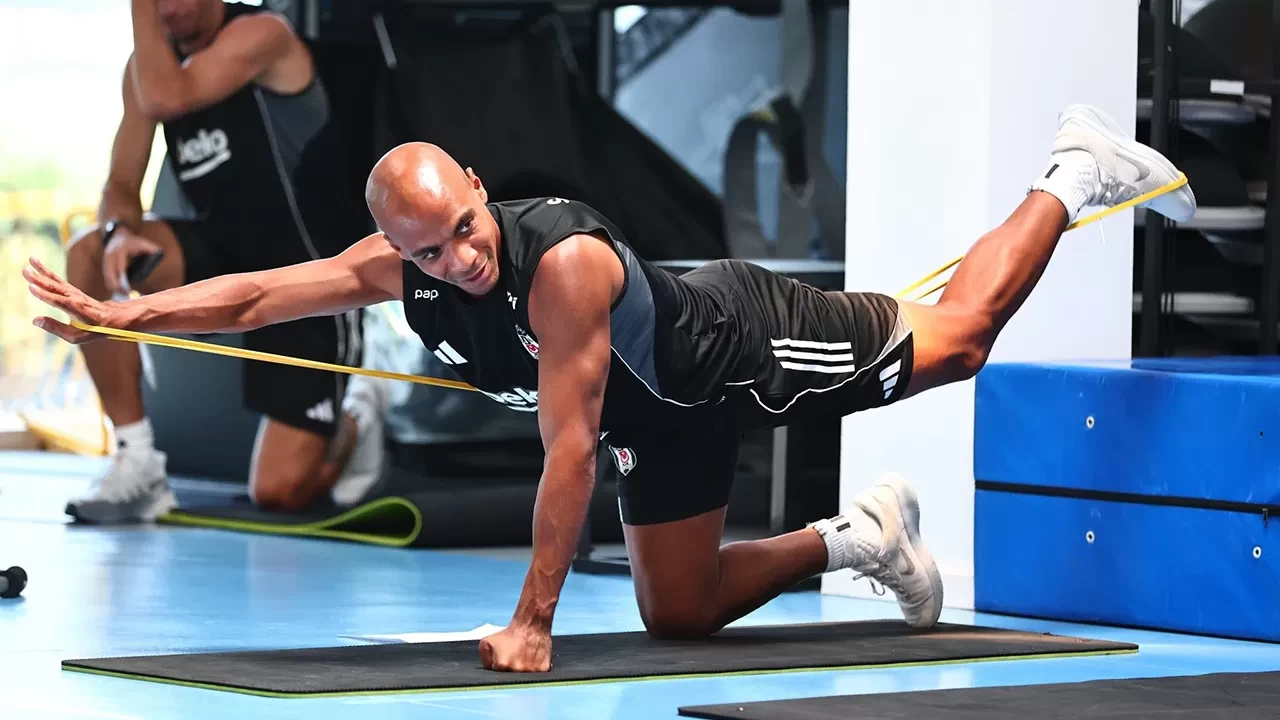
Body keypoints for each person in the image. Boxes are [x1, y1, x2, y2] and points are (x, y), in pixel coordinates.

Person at [26, 104, 1196, 671]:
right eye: (428, 254)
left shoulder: (565, 271)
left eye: (465, 232)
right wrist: (129, 312)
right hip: (662, 418)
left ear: (481, 190)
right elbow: (253, 298)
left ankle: (1071, 163)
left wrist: (532, 623)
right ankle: (861, 540)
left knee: (965, 338)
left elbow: (570, 453)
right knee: (676, 615)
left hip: (737, 346)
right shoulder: (401, 260)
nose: (457, 262)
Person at [64, 0, 388, 523]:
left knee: (278, 493)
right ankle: (137, 457)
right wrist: (120, 232)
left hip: (304, 278)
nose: (170, 8)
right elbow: (121, 184)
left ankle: (357, 417)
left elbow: (172, 96)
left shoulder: (263, 35)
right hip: (221, 259)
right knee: (89, 252)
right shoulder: (147, 69)